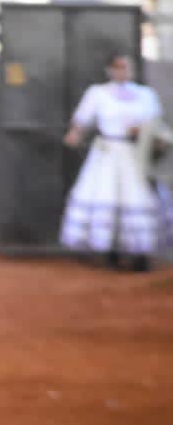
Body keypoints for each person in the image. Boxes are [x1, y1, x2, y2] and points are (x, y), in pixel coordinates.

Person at [59, 53, 171, 271]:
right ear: (109, 70)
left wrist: (152, 137)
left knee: (140, 199)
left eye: (125, 67)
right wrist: (75, 134)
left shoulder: (145, 95)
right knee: (108, 198)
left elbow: (156, 124)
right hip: (108, 154)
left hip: (137, 154)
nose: (122, 71)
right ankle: (111, 252)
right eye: (117, 67)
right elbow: (82, 119)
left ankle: (140, 254)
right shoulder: (98, 93)